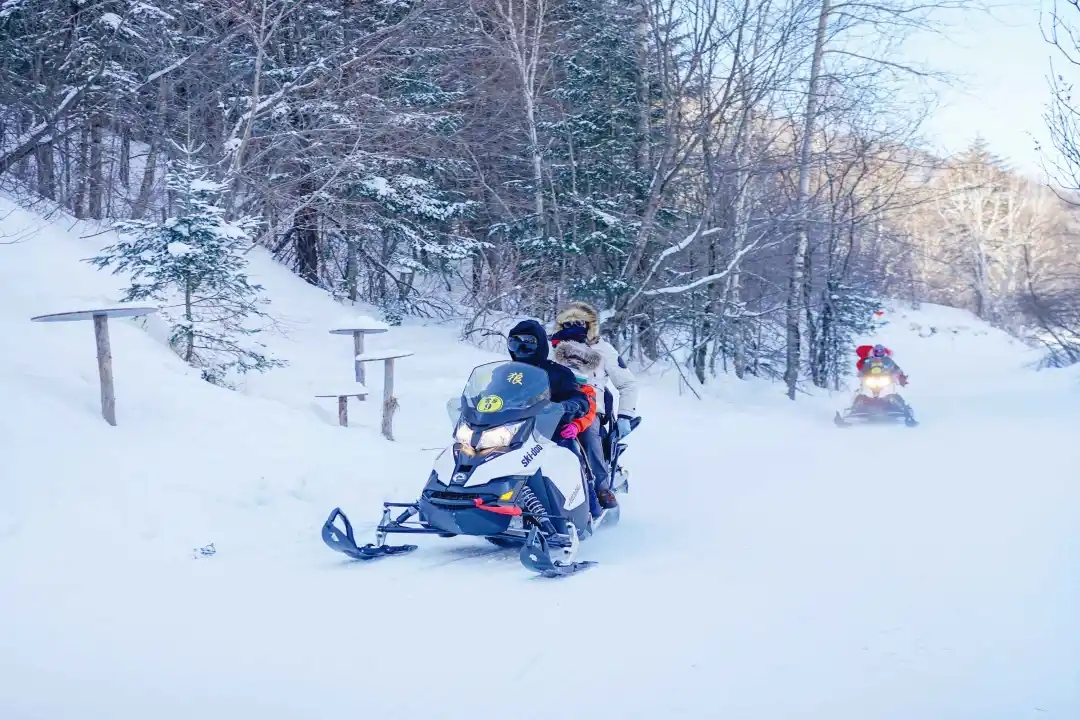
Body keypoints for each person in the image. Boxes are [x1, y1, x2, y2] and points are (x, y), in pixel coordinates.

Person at [553, 301, 640, 509]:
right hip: (553, 406)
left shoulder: (603, 349)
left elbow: (628, 383)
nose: (573, 327)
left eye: (579, 322)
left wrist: (625, 416)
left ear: (590, 325)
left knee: (588, 435)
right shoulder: (552, 347)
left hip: (590, 409)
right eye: (568, 323)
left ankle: (601, 488)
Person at [506, 319, 591, 450]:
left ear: (540, 345)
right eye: (514, 343)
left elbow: (579, 398)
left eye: (528, 344)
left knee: (569, 451)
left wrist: (567, 406)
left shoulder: (559, 373)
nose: (520, 350)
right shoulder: (504, 373)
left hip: (547, 436)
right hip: (508, 433)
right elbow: (490, 395)